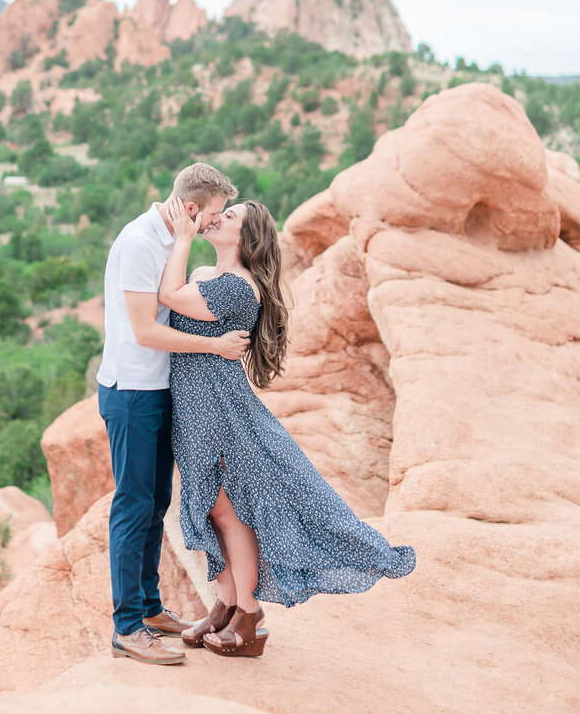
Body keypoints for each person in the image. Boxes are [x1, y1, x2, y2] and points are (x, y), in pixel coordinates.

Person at [159, 197, 416, 658]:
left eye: (231, 215)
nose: (219, 217)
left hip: (219, 409)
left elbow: (169, 298)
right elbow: (181, 296)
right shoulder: (205, 275)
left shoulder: (239, 287)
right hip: (193, 406)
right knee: (211, 509)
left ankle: (249, 615)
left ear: (246, 237)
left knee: (228, 511)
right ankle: (227, 602)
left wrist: (181, 237)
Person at [97, 163, 250, 666]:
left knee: (157, 502)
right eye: (212, 215)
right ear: (190, 208)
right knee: (133, 506)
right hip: (134, 392)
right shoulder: (142, 243)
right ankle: (126, 629)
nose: (214, 223)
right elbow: (145, 330)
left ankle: (149, 608)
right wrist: (214, 348)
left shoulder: (171, 240)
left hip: (159, 388)